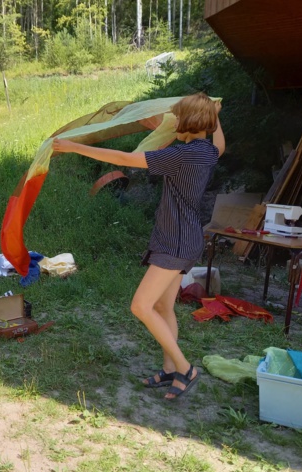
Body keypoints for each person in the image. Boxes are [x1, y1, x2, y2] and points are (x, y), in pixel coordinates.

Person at [52, 93, 225, 400]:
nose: (173, 122)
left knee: (141, 306)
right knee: (163, 307)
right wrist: (216, 116)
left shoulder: (180, 155)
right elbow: (221, 144)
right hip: (186, 237)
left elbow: (124, 159)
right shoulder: (206, 151)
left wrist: (74, 146)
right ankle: (170, 369)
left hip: (175, 242)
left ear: (189, 122)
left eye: (177, 118)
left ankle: (185, 368)